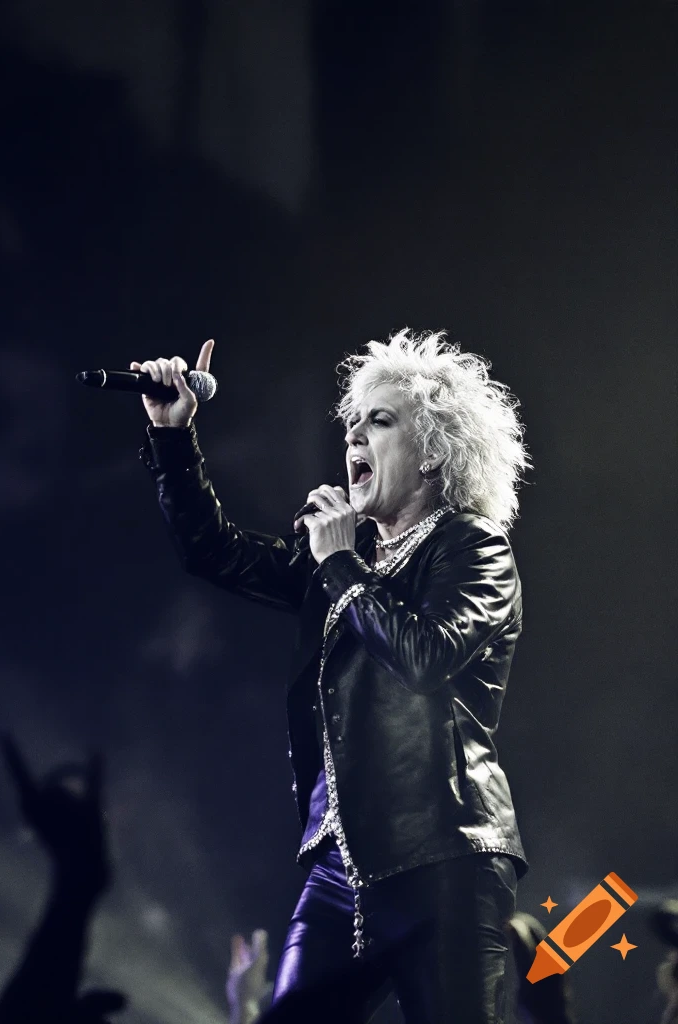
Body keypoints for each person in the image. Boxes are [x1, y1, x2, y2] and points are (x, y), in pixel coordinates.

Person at [133, 330, 530, 1023]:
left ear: (435, 451)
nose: (354, 437)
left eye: (380, 420)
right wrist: (173, 439)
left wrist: (341, 565)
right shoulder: (340, 558)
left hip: (446, 862)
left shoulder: (474, 548)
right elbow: (214, 553)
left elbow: (426, 658)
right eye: (350, 423)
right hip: (342, 871)